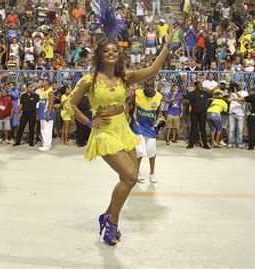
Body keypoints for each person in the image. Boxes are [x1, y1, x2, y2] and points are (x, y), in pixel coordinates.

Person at [66, 0, 176, 245]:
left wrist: (166, 46)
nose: (111, 53)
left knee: (128, 178)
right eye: (107, 51)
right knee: (130, 176)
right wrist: (89, 122)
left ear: (119, 54)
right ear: (100, 55)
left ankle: (107, 216)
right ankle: (111, 225)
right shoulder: (89, 79)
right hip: (104, 131)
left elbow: (152, 70)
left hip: (123, 129)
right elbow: (70, 104)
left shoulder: (125, 77)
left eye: (115, 50)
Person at [127, 78, 163, 183]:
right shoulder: (137, 94)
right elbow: (128, 104)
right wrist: (128, 114)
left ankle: (152, 173)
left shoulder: (158, 96)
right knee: (139, 150)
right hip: (138, 125)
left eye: (151, 86)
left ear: (154, 86)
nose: (149, 88)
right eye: (147, 86)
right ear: (144, 86)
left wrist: (160, 117)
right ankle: (137, 172)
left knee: (152, 152)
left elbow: (158, 111)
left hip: (150, 127)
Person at [182, 81, 216, 149]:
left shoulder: (204, 93)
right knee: (193, 128)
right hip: (194, 113)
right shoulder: (191, 94)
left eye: (201, 85)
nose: (201, 87)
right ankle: (190, 144)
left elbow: (213, 95)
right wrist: (173, 100)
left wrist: (223, 98)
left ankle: (205, 144)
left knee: (203, 129)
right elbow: (183, 97)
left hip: (202, 113)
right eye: (199, 85)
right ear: (196, 86)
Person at [227, 82, 249, 149]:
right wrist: (230, 92)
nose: (238, 87)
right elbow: (227, 100)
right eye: (237, 86)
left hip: (240, 113)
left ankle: (239, 143)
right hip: (232, 112)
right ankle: (231, 142)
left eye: (239, 85)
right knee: (231, 130)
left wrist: (236, 93)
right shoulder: (231, 92)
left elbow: (243, 101)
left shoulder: (245, 93)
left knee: (240, 130)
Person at [37, 76, 55, 151]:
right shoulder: (42, 91)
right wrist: (38, 113)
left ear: (47, 82)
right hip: (41, 113)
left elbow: (51, 103)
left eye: (44, 81)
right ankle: (45, 143)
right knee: (43, 129)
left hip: (47, 113)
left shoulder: (50, 92)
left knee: (47, 129)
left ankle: (47, 145)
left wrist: (48, 113)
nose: (42, 82)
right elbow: (39, 103)